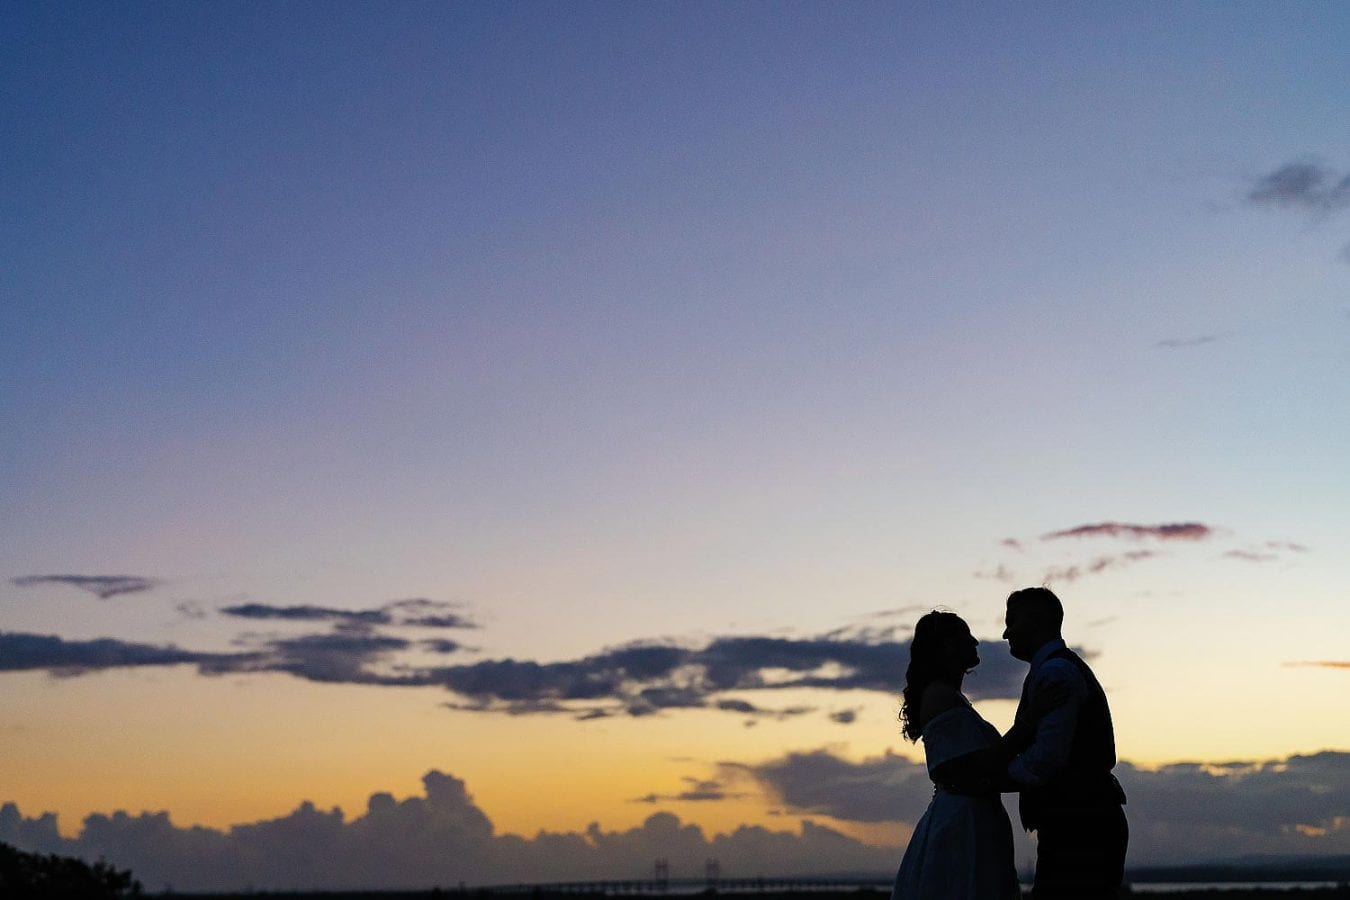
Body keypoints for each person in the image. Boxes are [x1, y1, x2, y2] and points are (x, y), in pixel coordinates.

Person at [890, 610, 1060, 900]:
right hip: (961, 825)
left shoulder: (951, 697)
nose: (975, 641)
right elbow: (983, 764)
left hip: (973, 820)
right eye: (965, 635)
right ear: (947, 647)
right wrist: (1032, 717)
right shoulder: (940, 696)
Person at [1002, 586, 1128, 899]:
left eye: (1012, 621)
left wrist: (988, 778)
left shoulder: (1056, 673)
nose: (1006, 633)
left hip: (1080, 829)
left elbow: (1046, 759)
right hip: (1081, 822)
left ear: (1037, 621)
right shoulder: (1055, 669)